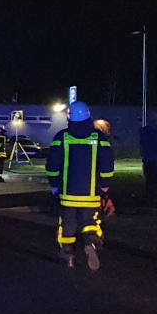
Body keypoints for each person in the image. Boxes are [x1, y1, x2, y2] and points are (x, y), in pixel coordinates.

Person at [46, 100, 114, 270]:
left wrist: (54, 185)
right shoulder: (99, 138)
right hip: (91, 195)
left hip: (67, 195)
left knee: (67, 225)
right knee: (91, 221)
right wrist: (104, 187)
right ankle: (91, 242)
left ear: (69, 118)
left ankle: (67, 253)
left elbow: (53, 165)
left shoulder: (61, 137)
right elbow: (107, 165)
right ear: (88, 116)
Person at [138, 121, 157, 203]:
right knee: (155, 181)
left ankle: (149, 197)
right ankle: (154, 198)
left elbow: (141, 148)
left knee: (149, 181)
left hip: (147, 161)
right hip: (156, 161)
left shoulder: (144, 134)